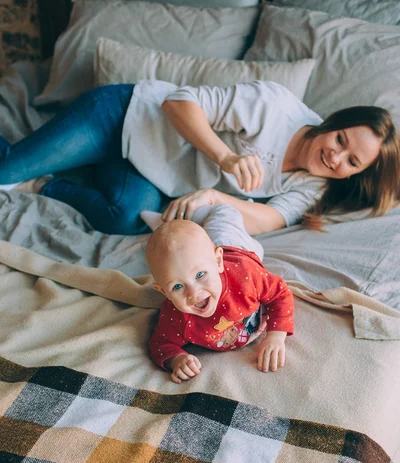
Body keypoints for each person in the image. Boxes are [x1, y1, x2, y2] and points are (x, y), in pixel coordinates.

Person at [0, 81, 399, 235]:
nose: (336, 156)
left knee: (124, 218)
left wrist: (215, 197)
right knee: (5, 171)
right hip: (122, 116)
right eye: (341, 139)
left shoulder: (315, 185)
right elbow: (178, 103)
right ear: (332, 124)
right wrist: (225, 158)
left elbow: (269, 219)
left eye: (352, 162)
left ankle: (47, 182)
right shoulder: (275, 107)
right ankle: (43, 160)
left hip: (146, 171)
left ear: (355, 175)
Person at [146, 204, 294, 384]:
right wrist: (176, 359)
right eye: (177, 286)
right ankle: (169, 228)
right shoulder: (175, 317)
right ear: (163, 292)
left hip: (234, 247)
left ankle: (210, 209)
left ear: (217, 262)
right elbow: (160, 344)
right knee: (172, 249)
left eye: (200, 275)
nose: (194, 293)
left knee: (225, 220)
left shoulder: (246, 278)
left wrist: (276, 336)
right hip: (211, 256)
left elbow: (280, 293)